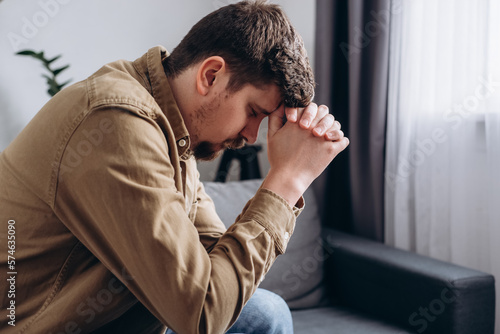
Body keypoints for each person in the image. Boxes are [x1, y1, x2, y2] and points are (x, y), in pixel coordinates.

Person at [0, 1, 349, 333]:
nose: (249, 135)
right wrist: (288, 181)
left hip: (117, 318)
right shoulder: (117, 121)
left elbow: (212, 262)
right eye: (254, 112)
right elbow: (202, 314)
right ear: (211, 75)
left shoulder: (173, 128)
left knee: (265, 313)